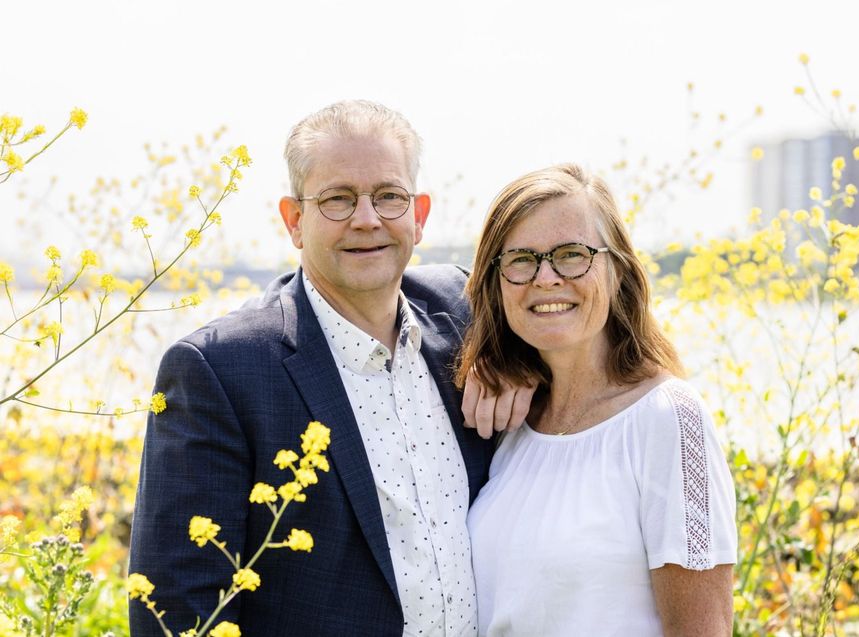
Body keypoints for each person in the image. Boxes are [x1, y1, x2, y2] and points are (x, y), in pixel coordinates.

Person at [129, 100, 530, 636]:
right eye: (338, 199)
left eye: (389, 196)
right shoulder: (219, 371)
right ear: (295, 220)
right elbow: (177, 608)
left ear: (420, 214)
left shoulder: (465, 312)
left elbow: (587, 353)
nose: (368, 219)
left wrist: (523, 366)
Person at [458, 164, 738, 636]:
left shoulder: (668, 419)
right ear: (496, 282)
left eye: (572, 254)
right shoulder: (511, 426)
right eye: (521, 259)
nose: (545, 278)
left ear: (618, 272)